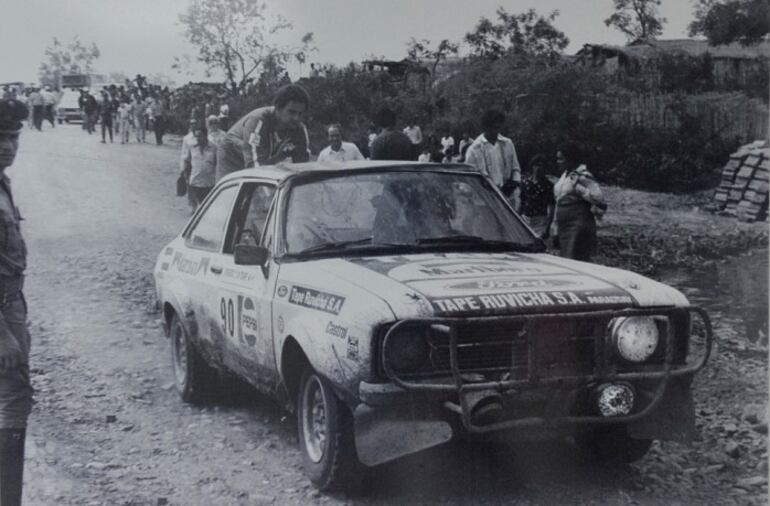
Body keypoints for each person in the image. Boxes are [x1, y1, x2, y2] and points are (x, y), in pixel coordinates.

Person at [0, 98, 35, 506]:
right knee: (12, 400)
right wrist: (3, 334)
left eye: (13, 137)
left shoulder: (3, 183)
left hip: (12, 303)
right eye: (0, 137)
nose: (8, 145)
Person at [216, 84, 310, 182]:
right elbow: (255, 167)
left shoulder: (298, 128)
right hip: (232, 155)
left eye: (300, 113)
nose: (296, 118)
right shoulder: (258, 120)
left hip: (261, 156)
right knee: (234, 189)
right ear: (278, 108)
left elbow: (302, 166)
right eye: (292, 112)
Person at [553, 141, 607, 262]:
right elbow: (558, 200)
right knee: (565, 259)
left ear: (570, 159)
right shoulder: (564, 176)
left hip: (578, 227)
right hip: (564, 227)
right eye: (557, 159)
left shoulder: (583, 175)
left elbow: (600, 201)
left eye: (561, 159)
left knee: (576, 259)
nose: (558, 162)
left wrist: (580, 188)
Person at [464, 109, 521, 207]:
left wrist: (513, 184)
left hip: (507, 198)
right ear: (486, 126)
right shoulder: (474, 149)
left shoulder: (508, 144)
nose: (496, 126)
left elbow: (516, 169)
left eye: (499, 123)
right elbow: (469, 179)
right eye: (492, 124)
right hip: (485, 201)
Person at [181, 123, 217, 211]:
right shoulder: (191, 147)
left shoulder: (214, 148)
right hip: (194, 182)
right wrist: (185, 176)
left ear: (205, 135)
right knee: (193, 209)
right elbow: (187, 162)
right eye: (196, 136)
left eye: (200, 136)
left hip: (208, 183)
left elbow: (217, 164)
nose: (197, 139)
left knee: (206, 208)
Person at [519, 154, 555, 239]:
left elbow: (551, 206)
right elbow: (521, 201)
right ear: (532, 166)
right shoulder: (525, 182)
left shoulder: (548, 185)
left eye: (541, 166)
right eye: (536, 165)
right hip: (525, 218)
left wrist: (547, 227)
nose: (538, 168)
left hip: (540, 220)